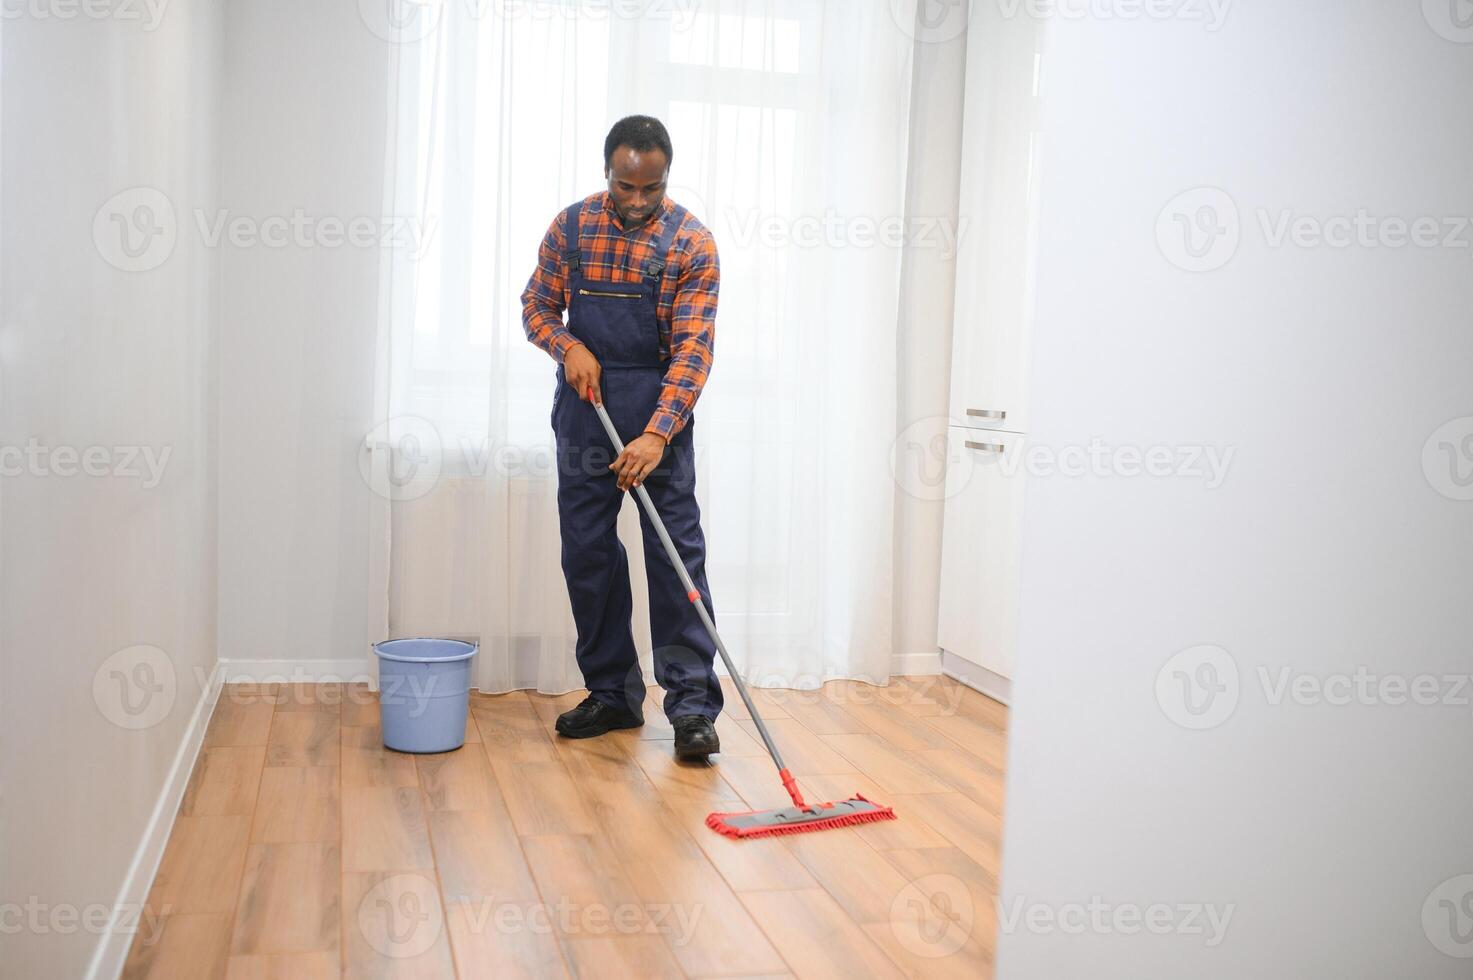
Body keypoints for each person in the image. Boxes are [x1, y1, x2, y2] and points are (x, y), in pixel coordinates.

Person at [520, 115, 723, 759]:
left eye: (651, 189)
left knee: (674, 560)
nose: (637, 202)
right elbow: (535, 305)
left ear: (667, 176)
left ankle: (691, 708)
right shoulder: (573, 227)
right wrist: (567, 344)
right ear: (606, 171)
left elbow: (693, 353)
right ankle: (612, 693)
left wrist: (658, 436)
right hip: (587, 410)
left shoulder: (692, 244)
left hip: (660, 411)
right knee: (588, 554)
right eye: (625, 186)